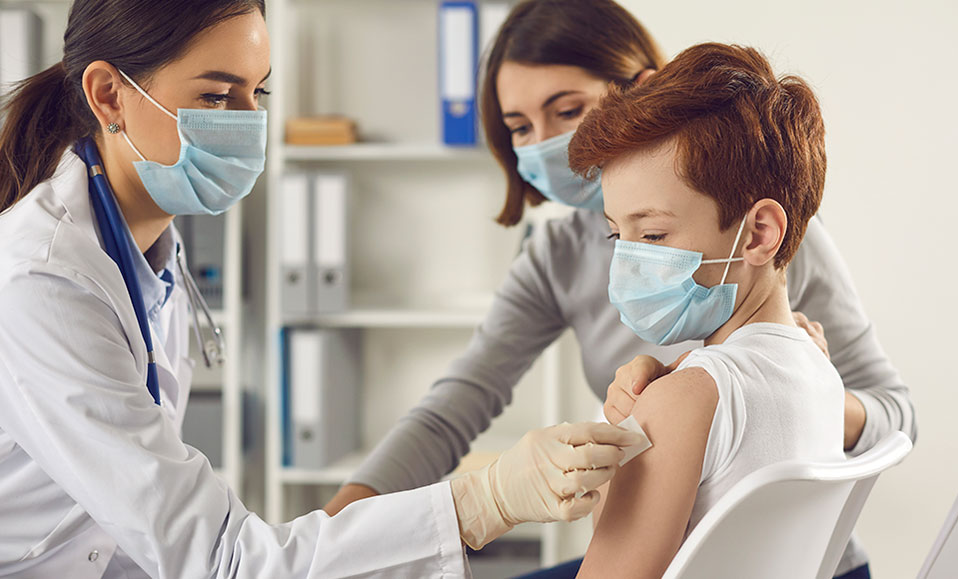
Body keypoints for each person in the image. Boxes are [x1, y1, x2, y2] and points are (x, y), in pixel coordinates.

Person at [0, 1, 643, 577]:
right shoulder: (46, 277)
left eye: (257, 93)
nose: (250, 124)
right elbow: (217, 558)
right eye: (220, 97)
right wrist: (481, 500)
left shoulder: (144, 250)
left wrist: (342, 545)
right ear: (109, 96)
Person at [328, 1, 915, 578]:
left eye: (566, 110)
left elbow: (895, 415)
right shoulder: (560, 261)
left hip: (808, 555)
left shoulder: (765, 240)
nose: (544, 145)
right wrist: (326, 541)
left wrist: (744, 405)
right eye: (520, 128)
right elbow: (455, 405)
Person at [568, 41, 844, 577]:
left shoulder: (687, 399)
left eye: (651, 233)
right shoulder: (820, 371)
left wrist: (644, 418)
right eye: (616, 235)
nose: (628, 261)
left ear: (759, 233)